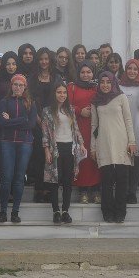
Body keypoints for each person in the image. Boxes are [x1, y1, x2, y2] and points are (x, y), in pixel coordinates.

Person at [90, 72, 136, 223]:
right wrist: (93, 147)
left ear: (113, 83)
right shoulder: (95, 101)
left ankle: (120, 212)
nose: (105, 85)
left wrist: (132, 142)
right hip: (103, 143)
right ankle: (107, 212)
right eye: (102, 82)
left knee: (122, 180)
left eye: (108, 82)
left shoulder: (121, 97)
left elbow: (128, 120)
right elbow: (94, 126)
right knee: (107, 180)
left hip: (122, 142)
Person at [42, 82, 87, 224]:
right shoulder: (47, 111)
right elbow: (44, 134)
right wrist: (46, 150)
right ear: (54, 94)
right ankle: (56, 211)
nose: (62, 95)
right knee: (55, 180)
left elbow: (76, 130)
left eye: (64, 93)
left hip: (70, 148)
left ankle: (66, 211)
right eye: (59, 92)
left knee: (68, 181)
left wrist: (82, 144)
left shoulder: (71, 110)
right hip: (55, 149)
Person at [0, 74, 38, 223]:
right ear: (11, 86)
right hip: (7, 142)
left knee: (19, 178)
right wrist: (21, 120)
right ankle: (2, 211)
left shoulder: (30, 103)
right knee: (6, 177)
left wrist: (12, 120)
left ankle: (15, 212)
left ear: (25, 87)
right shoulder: (4, 102)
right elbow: (2, 122)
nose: (18, 87)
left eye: (21, 85)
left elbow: (31, 124)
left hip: (25, 143)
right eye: (15, 84)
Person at [28, 48, 61, 201]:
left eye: (46, 59)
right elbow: (28, 99)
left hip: (54, 122)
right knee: (39, 156)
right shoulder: (32, 78)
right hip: (36, 123)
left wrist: (52, 118)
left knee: (52, 157)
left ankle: (50, 190)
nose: (44, 62)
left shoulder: (57, 77)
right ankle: (39, 189)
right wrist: (37, 118)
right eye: (41, 59)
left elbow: (61, 97)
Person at [69, 61, 102, 204]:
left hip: (96, 129)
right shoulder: (72, 87)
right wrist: (79, 111)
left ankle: (95, 189)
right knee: (82, 158)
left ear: (93, 73)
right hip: (78, 128)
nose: (86, 75)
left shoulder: (98, 88)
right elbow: (64, 105)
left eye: (89, 72)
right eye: (83, 72)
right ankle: (82, 190)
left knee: (94, 158)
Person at [119, 60, 139, 204]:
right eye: (129, 68)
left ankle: (132, 191)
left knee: (135, 161)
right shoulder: (119, 86)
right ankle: (123, 190)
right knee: (124, 161)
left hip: (137, 126)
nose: (132, 71)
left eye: (135, 69)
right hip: (121, 127)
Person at [0, 51, 19, 176]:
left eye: (13, 64)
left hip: (18, 124)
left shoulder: (21, 80)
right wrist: (0, 115)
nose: (11, 67)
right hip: (2, 124)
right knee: (3, 156)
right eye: (8, 64)